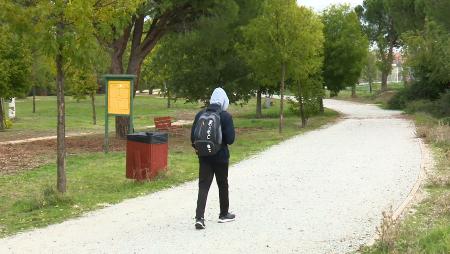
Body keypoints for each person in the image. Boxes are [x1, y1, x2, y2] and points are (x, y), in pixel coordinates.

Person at [191, 87, 236, 230]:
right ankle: (223, 214)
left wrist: (200, 149)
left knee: (203, 186)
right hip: (221, 157)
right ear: (224, 100)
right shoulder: (225, 116)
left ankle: (199, 218)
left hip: (204, 156)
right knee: (222, 184)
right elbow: (230, 140)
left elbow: (193, 138)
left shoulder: (200, 114)